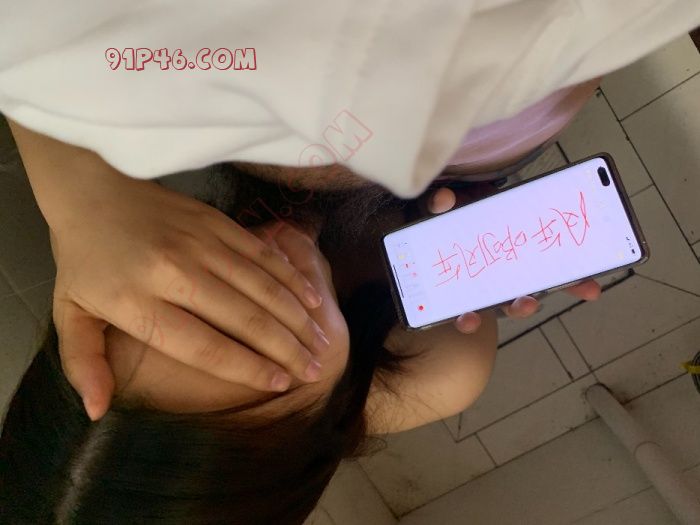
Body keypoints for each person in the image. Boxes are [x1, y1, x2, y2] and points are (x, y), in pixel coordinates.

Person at [0, 168, 504, 524]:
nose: (259, 264)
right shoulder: (439, 370)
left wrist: (77, 193)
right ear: (315, 437)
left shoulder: (107, 245)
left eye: (181, 308)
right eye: (254, 339)